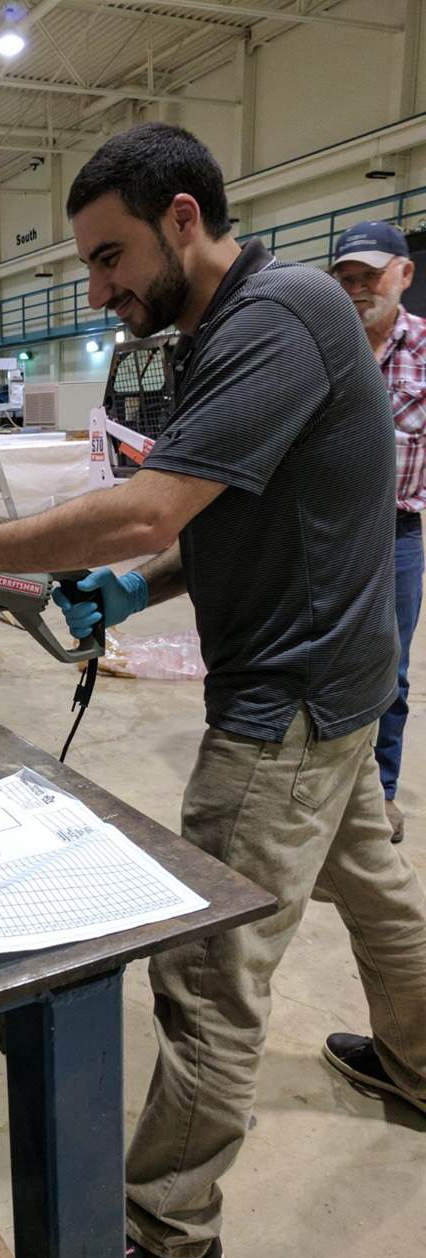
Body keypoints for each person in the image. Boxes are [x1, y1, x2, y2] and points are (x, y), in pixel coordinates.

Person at [0, 123, 426, 1258]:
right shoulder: (235, 326)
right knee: (374, 892)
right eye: (87, 262)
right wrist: (131, 587)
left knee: (213, 976)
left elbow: (148, 506)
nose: (98, 284)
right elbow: (219, 508)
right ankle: (420, 1063)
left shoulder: (273, 322)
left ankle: (166, 1226)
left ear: (184, 217)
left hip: (287, 704)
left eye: (109, 256)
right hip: (343, 679)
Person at [330, 221, 425, 844]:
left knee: (388, 670)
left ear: (405, 274)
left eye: (371, 274)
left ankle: (378, 794)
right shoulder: (323, 343)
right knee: (326, 662)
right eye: (348, 278)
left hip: (396, 533)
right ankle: (328, 787)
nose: (360, 288)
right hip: (328, 530)